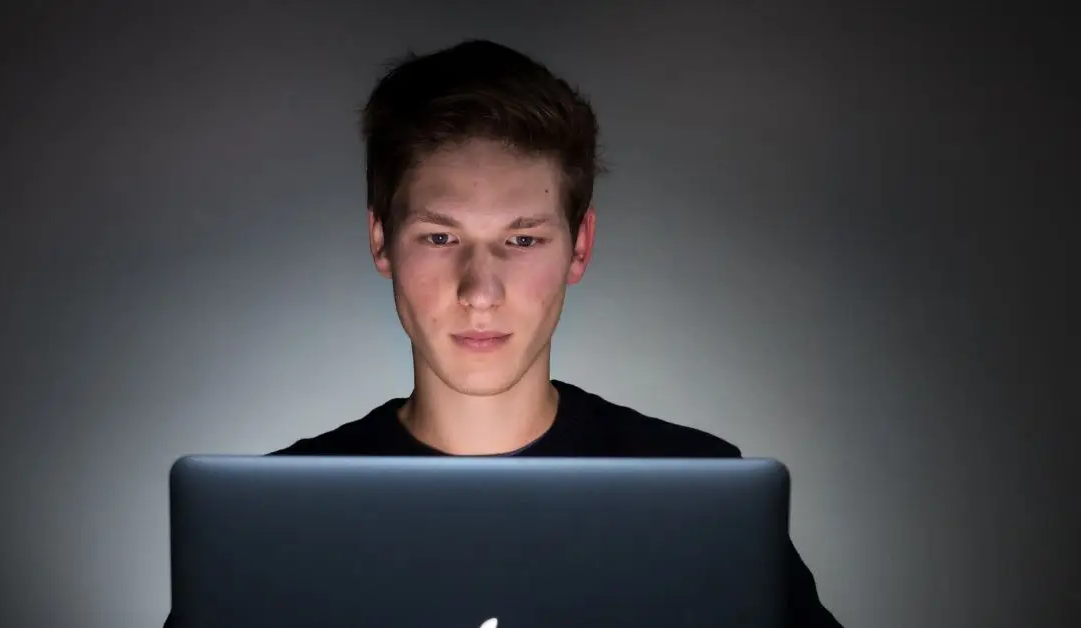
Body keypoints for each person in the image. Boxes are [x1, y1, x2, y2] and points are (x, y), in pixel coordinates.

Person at [165, 39, 843, 627]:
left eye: (522, 238)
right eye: (439, 235)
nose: (480, 291)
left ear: (579, 248)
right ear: (381, 241)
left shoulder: (703, 504)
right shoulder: (275, 527)